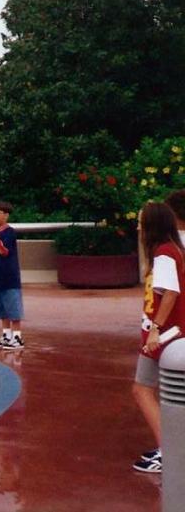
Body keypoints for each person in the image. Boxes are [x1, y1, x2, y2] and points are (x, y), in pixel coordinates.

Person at [131, 201, 185, 474]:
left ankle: (168, 451)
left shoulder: (164, 254)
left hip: (163, 336)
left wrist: (155, 329)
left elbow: (171, 293)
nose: (138, 226)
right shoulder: (175, 249)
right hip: (171, 333)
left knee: (142, 390)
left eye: (141, 221)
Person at [0, 201, 24, 350]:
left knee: (13, 307)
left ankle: (17, 337)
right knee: (1, 308)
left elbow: (3, 250)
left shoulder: (9, 232)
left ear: (6, 215)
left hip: (9, 277)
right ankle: (6, 335)